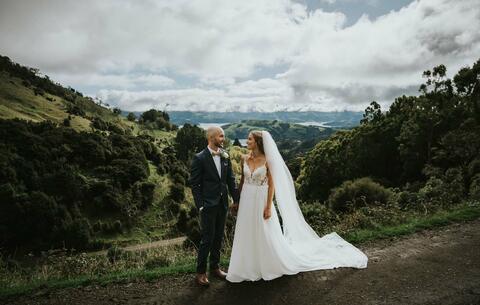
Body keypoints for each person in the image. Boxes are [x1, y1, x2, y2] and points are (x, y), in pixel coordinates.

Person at [226, 130, 368, 283]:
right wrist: (236, 201)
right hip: (246, 199)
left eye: (250, 139)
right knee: (246, 230)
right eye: (248, 139)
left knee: (264, 232)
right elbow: (241, 182)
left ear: (258, 142)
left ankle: (266, 265)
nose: (247, 142)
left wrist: (268, 207)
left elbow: (272, 186)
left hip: (261, 199)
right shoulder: (244, 159)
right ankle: (245, 267)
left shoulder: (268, 160)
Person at [188, 126, 240, 286]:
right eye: (221, 136)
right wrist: (201, 205)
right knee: (207, 239)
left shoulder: (225, 155)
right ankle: (200, 273)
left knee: (218, 237)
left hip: (223, 203)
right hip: (208, 206)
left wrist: (236, 200)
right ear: (211, 137)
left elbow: (230, 180)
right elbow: (194, 184)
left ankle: (215, 268)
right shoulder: (200, 158)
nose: (223, 139)